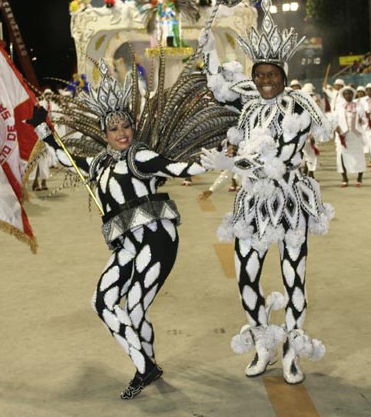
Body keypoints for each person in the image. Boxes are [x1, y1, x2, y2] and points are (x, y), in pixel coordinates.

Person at [25, 58, 236, 400]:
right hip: (125, 243)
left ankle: (145, 368)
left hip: (156, 237)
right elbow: (68, 158)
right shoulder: (100, 162)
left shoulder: (142, 157)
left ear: (133, 128)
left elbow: (176, 166)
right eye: (114, 129)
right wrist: (44, 130)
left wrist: (214, 162)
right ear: (104, 134)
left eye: (126, 126)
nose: (122, 133)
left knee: (135, 306)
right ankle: (147, 364)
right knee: (102, 301)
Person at [200, 0, 333, 385]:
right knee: (246, 277)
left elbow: (275, 158)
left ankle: (292, 350)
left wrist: (231, 162)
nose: (264, 81)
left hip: (288, 201)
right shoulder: (251, 101)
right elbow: (217, 85)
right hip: (252, 206)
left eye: (271, 75)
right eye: (259, 75)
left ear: (283, 76)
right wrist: (207, 38)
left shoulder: (298, 108)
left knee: (295, 278)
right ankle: (262, 342)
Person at [333, 86, 366, 187]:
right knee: (341, 155)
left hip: (356, 135)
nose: (348, 95)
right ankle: (344, 177)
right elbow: (334, 119)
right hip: (343, 135)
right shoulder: (339, 106)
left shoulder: (359, 106)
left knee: (358, 155)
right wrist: (336, 127)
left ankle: (359, 177)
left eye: (350, 93)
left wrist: (362, 121)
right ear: (343, 95)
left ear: (353, 95)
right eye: (346, 93)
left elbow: (365, 119)